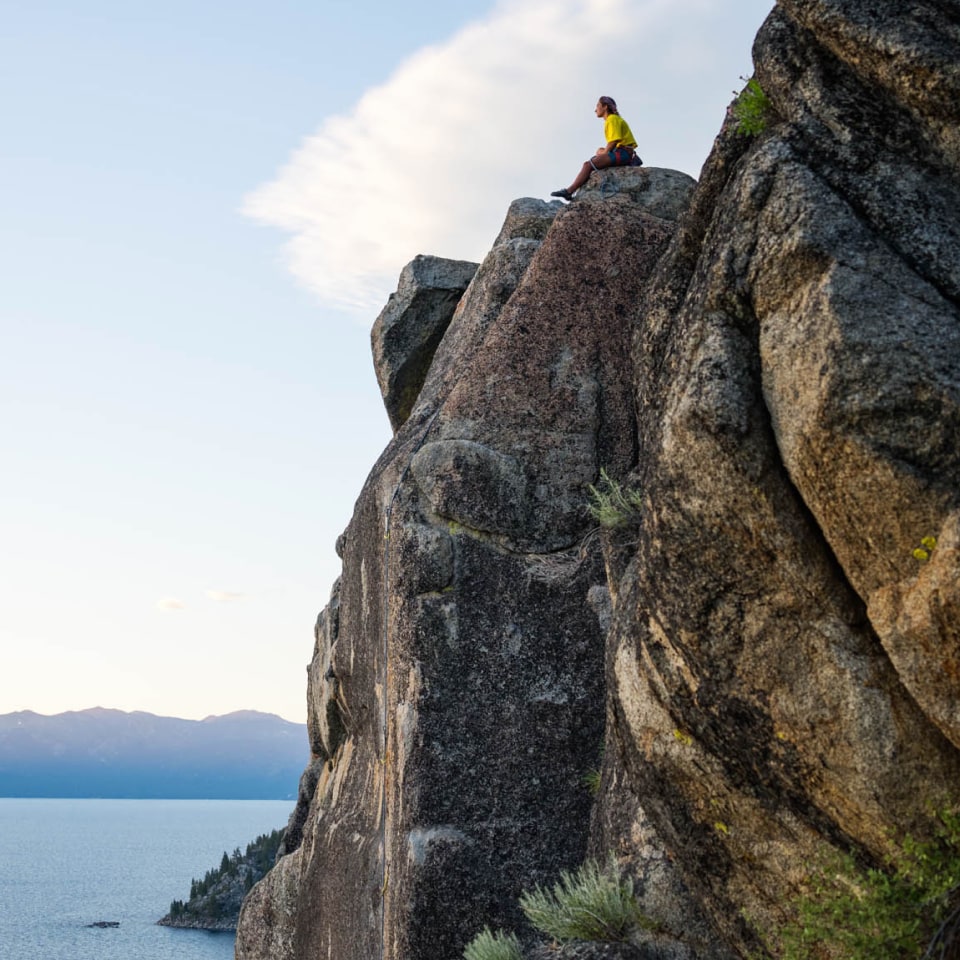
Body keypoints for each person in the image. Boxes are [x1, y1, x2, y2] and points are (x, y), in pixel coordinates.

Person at [551, 96, 642, 201]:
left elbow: (613, 141)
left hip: (623, 154)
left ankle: (569, 191)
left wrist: (605, 152)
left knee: (588, 165)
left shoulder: (612, 119)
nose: (595, 109)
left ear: (605, 107)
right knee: (596, 154)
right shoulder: (614, 119)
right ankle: (570, 191)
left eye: (598, 106)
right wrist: (602, 151)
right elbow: (615, 142)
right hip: (623, 152)